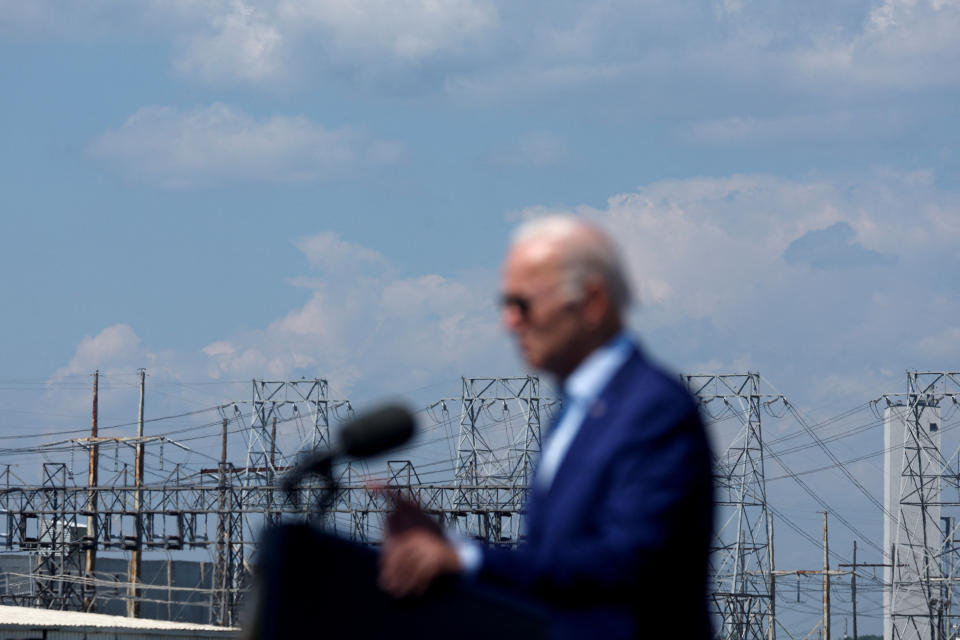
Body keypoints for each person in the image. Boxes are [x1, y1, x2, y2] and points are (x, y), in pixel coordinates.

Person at [378, 216, 714, 639]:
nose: (509, 323)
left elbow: (625, 561)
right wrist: (448, 545)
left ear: (591, 302)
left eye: (523, 305)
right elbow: (552, 564)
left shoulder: (652, 409)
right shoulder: (578, 412)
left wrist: (465, 558)